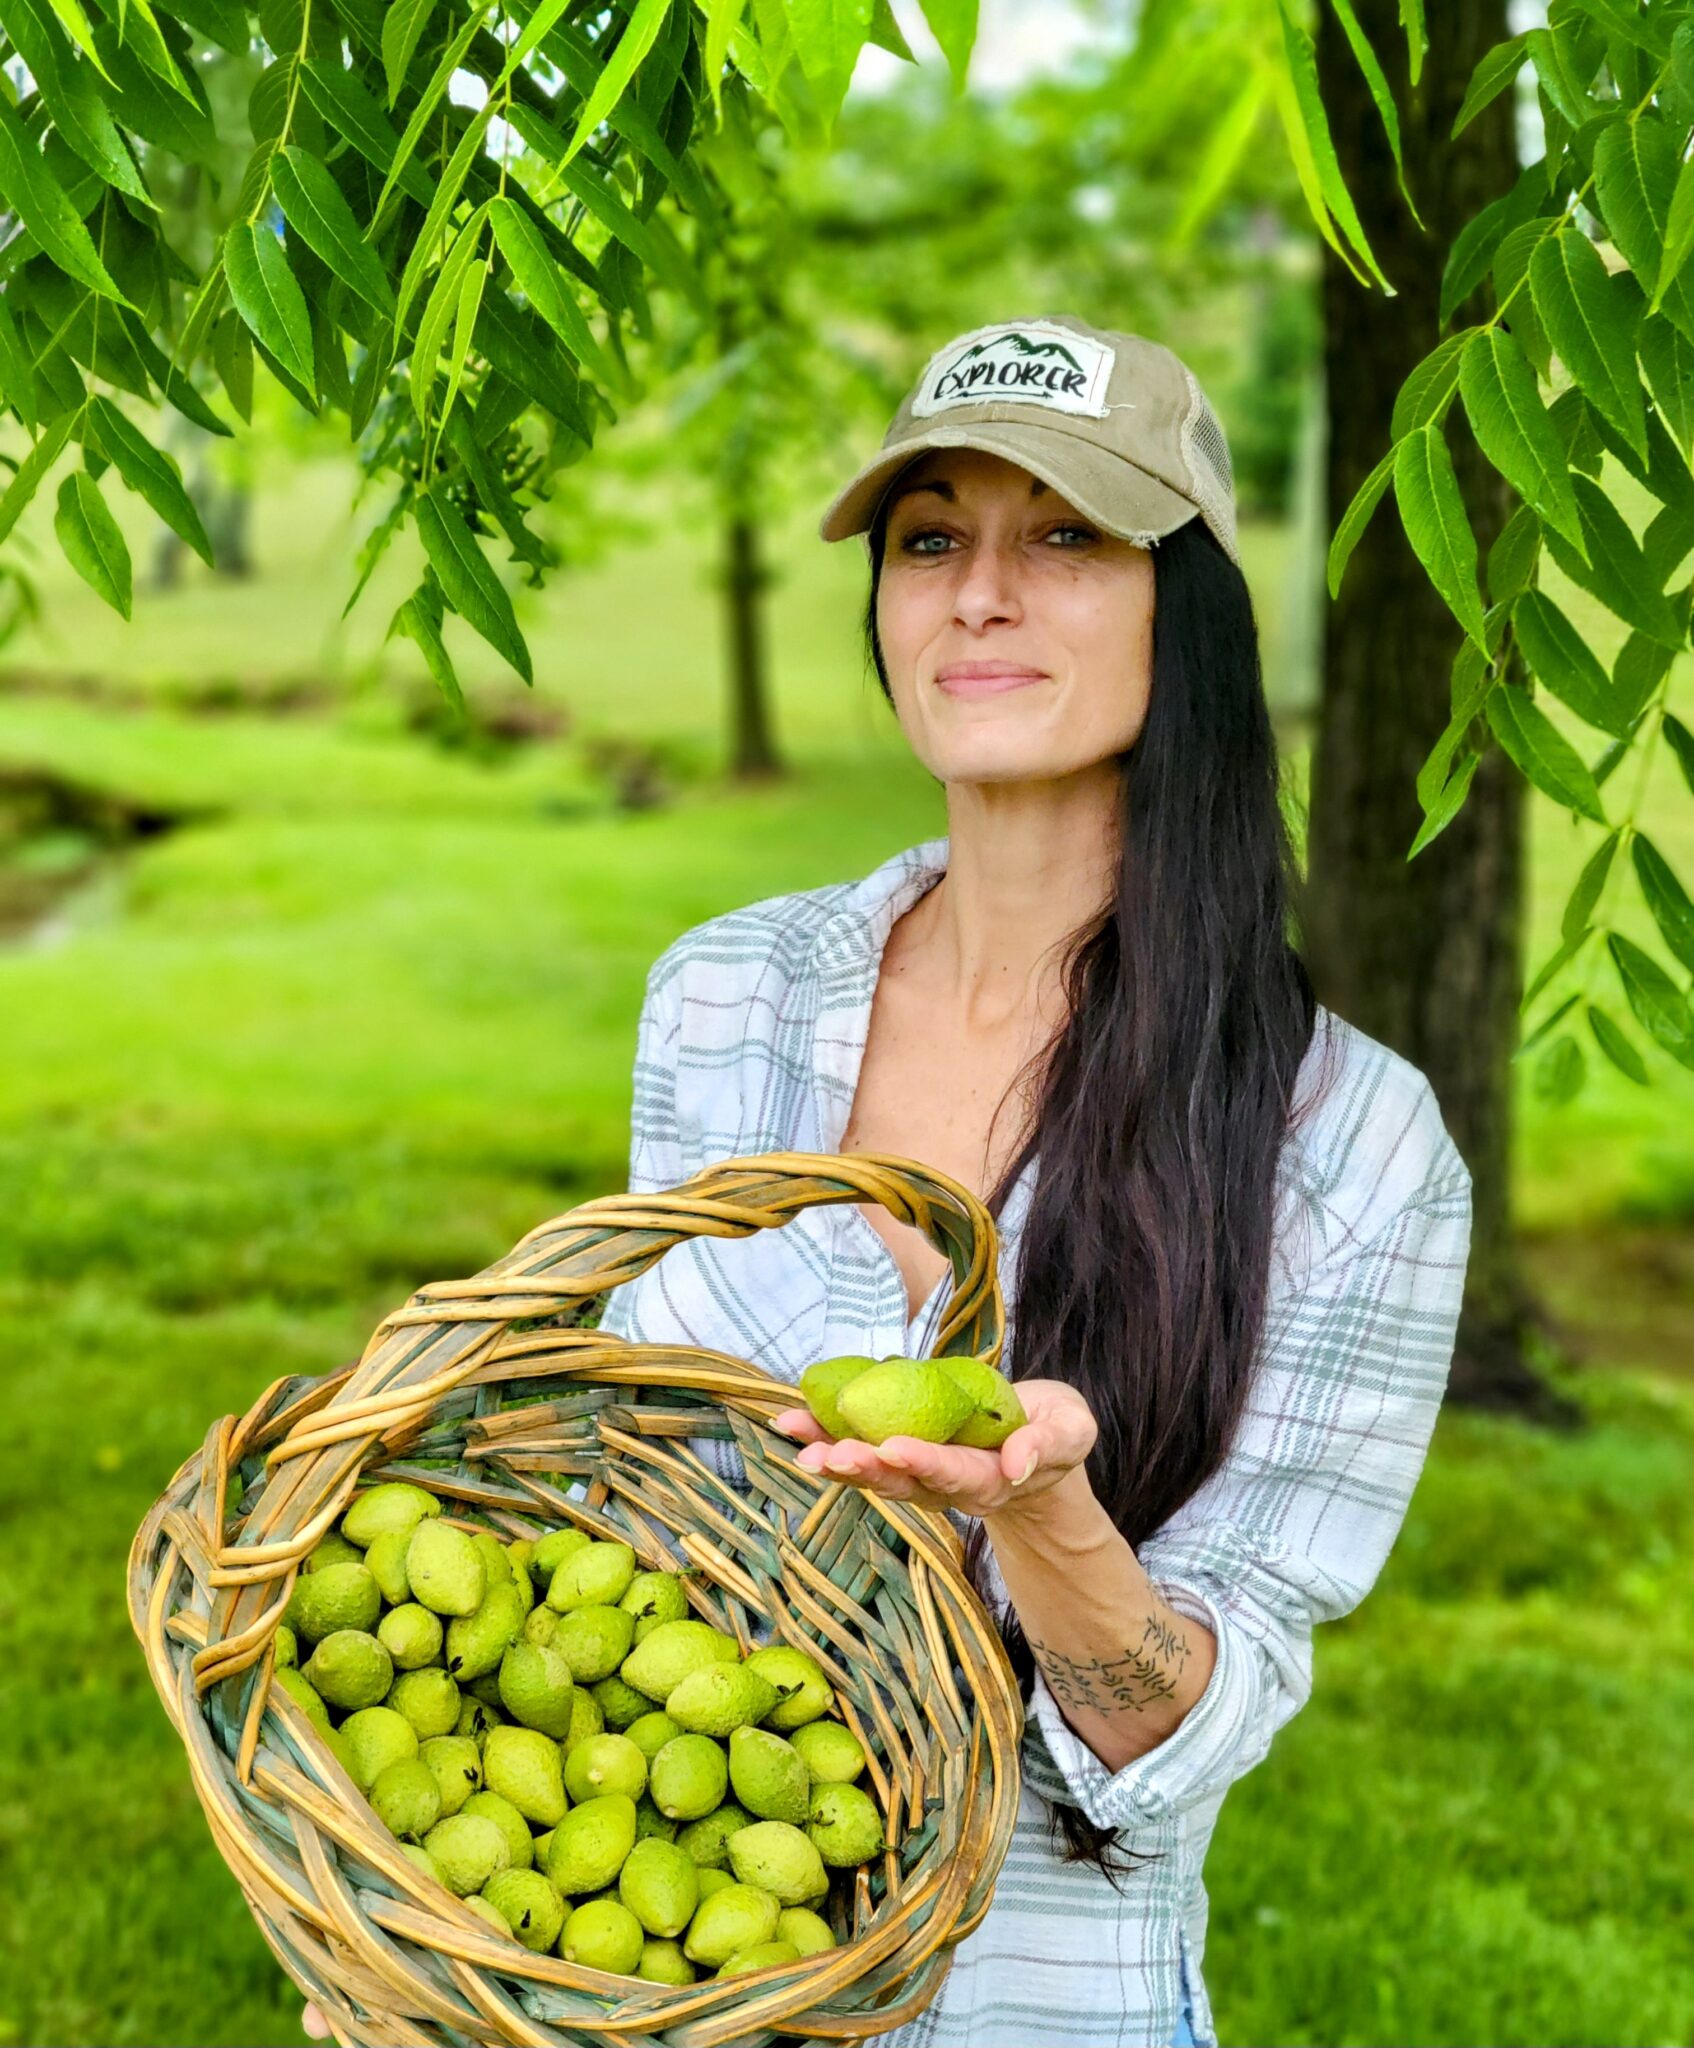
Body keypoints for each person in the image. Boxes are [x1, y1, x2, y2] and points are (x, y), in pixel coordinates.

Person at [304, 313, 1472, 2048]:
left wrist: (1045, 1515)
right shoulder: (726, 992)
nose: (978, 594)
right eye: (931, 538)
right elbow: (619, 1494)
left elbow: (1192, 1736)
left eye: (1065, 535)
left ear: (1190, 609)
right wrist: (446, 1922)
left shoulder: (1349, 1144)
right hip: (661, 1991)